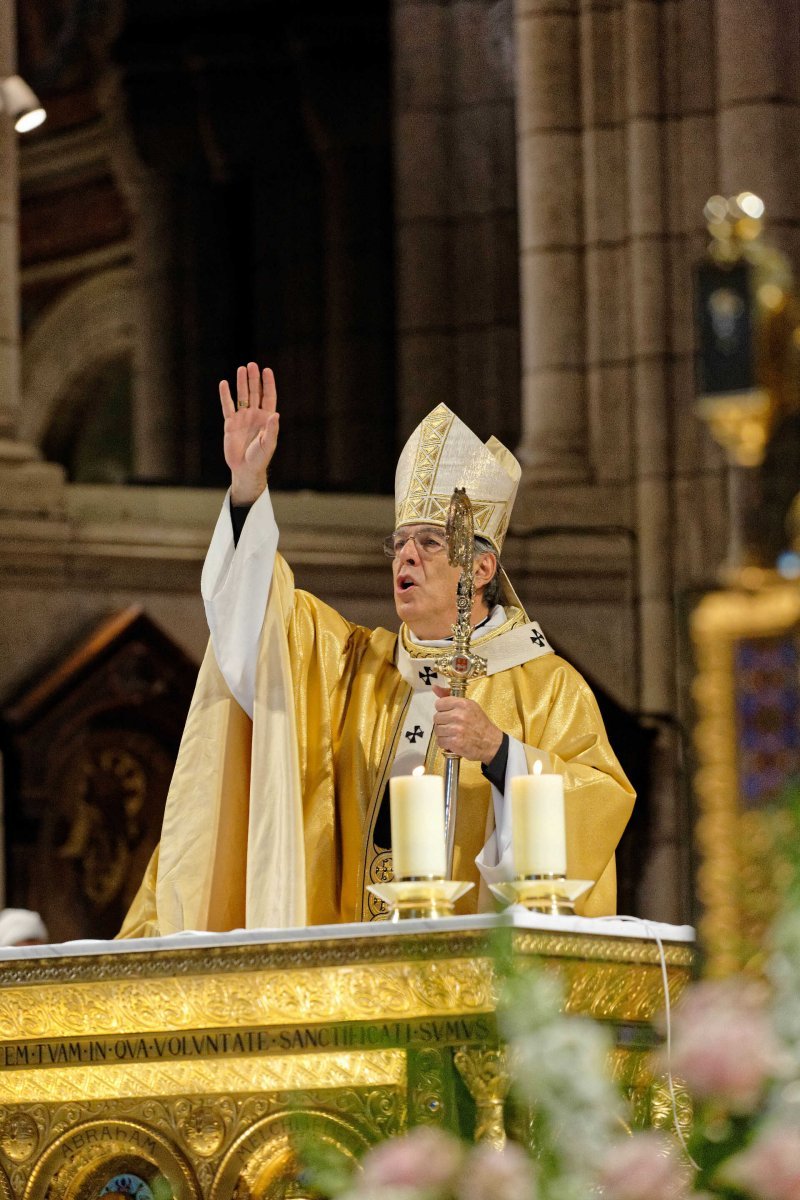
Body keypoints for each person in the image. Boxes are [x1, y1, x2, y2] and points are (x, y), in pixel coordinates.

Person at [119, 366, 634, 937]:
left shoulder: (547, 685)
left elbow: (601, 802)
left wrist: (501, 753)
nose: (405, 557)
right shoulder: (355, 667)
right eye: (399, 543)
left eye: (430, 542)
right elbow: (255, 630)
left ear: (482, 568)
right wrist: (247, 488)